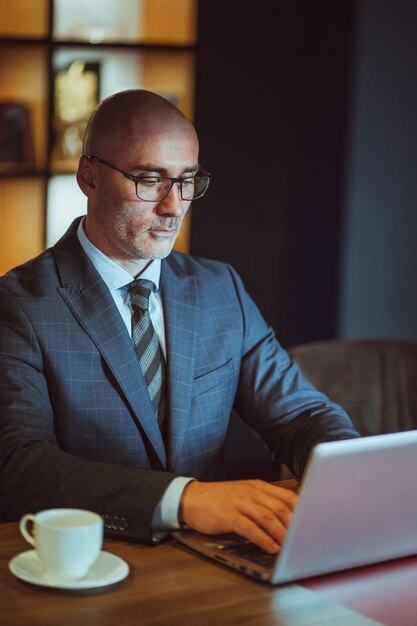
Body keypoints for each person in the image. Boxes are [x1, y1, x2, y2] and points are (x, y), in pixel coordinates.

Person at [0, 90, 359, 554]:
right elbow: (17, 464)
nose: (174, 207)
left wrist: (350, 482)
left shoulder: (219, 288)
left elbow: (301, 414)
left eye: (188, 181)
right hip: (85, 568)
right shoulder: (18, 304)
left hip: (212, 564)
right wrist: (184, 499)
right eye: (150, 179)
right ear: (88, 177)